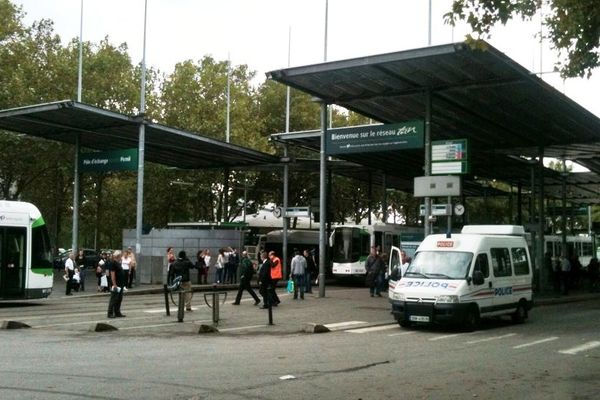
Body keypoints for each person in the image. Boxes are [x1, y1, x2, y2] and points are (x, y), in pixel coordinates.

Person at [107, 250, 126, 318]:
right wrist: (114, 284)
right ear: (118, 256)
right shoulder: (113, 263)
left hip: (120, 284)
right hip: (116, 284)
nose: (121, 257)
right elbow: (112, 275)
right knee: (114, 299)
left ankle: (117, 312)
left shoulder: (118, 263)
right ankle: (110, 313)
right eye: (120, 255)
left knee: (119, 299)